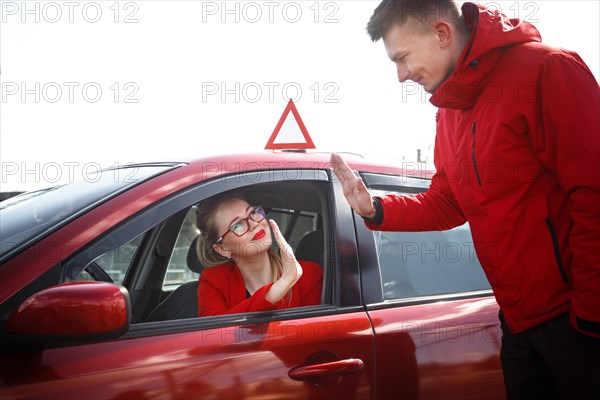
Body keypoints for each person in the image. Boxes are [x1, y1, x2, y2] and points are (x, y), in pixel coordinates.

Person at [331, 1, 600, 399]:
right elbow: (447, 203)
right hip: (517, 323)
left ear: (441, 34)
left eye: (402, 58)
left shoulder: (547, 69)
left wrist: (591, 316)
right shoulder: (449, 112)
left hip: (577, 322)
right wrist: (375, 208)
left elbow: (593, 193)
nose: (401, 75)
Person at [195, 192, 323, 317]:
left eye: (252, 213)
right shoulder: (212, 281)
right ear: (222, 249)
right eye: (238, 224)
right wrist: (279, 288)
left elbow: (315, 335)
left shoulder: (310, 274)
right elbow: (215, 334)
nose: (254, 224)